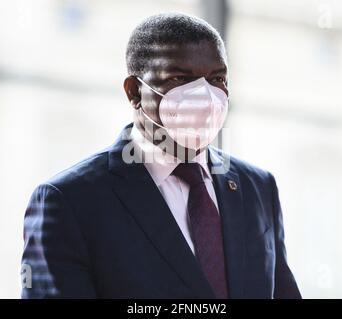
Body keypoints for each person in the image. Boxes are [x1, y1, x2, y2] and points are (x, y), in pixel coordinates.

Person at [21, 12, 301, 299]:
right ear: (135, 91)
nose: (204, 95)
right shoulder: (70, 201)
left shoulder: (258, 187)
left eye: (217, 78)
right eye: (180, 78)